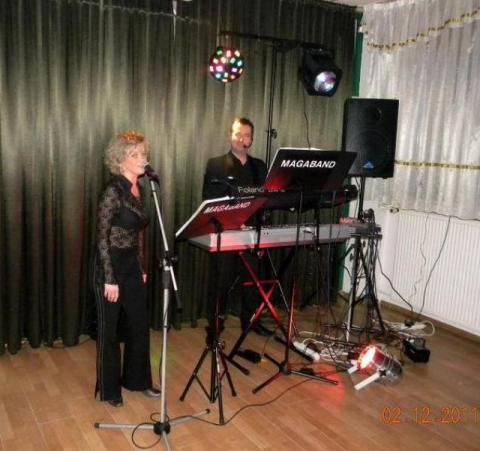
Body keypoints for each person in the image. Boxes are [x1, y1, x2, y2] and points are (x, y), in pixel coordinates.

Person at [93, 130, 160, 407]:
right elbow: (102, 236)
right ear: (121, 159)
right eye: (136, 155)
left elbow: (138, 232)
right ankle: (110, 391)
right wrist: (109, 278)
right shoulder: (113, 190)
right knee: (109, 332)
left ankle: (137, 380)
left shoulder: (139, 188)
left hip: (131, 264)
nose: (143, 159)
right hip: (109, 265)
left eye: (144, 153)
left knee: (138, 323)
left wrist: (141, 265)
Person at [202, 117, 273, 337]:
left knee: (252, 281)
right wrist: (235, 222)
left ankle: (250, 321)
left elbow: (264, 200)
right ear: (230, 135)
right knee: (221, 281)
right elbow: (210, 199)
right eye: (237, 134)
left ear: (252, 139)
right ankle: (215, 325)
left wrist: (261, 232)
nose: (242, 139)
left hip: (252, 233)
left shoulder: (259, 166)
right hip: (227, 232)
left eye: (246, 135)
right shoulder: (216, 164)